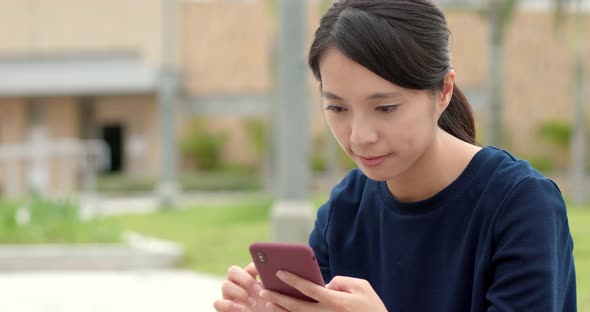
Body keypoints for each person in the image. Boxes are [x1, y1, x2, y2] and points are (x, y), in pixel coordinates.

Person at [213, 0, 577, 311]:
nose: (360, 136)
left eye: (385, 108)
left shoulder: (521, 205)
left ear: (444, 91)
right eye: (337, 108)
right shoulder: (345, 209)